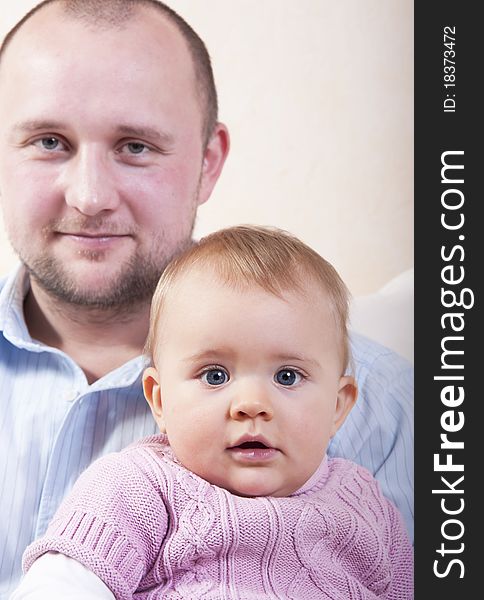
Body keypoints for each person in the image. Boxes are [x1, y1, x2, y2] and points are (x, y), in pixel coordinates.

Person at [0, 0, 413, 596]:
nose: (90, 196)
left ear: (208, 160)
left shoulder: (388, 410)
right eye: (47, 141)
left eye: (136, 146)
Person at [12, 225, 413, 599]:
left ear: (338, 406)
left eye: (288, 377)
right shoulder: (138, 486)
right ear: (160, 399)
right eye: (216, 375)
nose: (252, 404)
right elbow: (61, 585)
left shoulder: (368, 505)